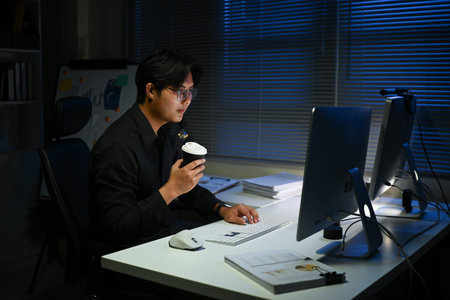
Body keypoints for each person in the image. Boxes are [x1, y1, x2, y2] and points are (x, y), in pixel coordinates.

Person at [89, 49, 259, 254]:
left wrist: (222, 209)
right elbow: (116, 226)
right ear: (151, 91)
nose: (187, 100)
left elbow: (186, 186)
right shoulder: (118, 146)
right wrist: (172, 190)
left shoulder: (170, 127)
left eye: (191, 91)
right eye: (180, 91)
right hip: (128, 249)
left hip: (159, 229)